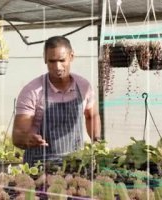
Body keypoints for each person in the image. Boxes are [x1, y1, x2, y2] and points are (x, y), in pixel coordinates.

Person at [12, 36, 101, 165]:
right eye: (52, 61)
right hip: (40, 165)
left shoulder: (83, 86)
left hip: (75, 163)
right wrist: (28, 139)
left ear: (71, 57)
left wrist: (96, 141)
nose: (57, 67)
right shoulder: (32, 91)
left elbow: (91, 116)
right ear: (45, 59)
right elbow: (17, 135)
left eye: (62, 60)